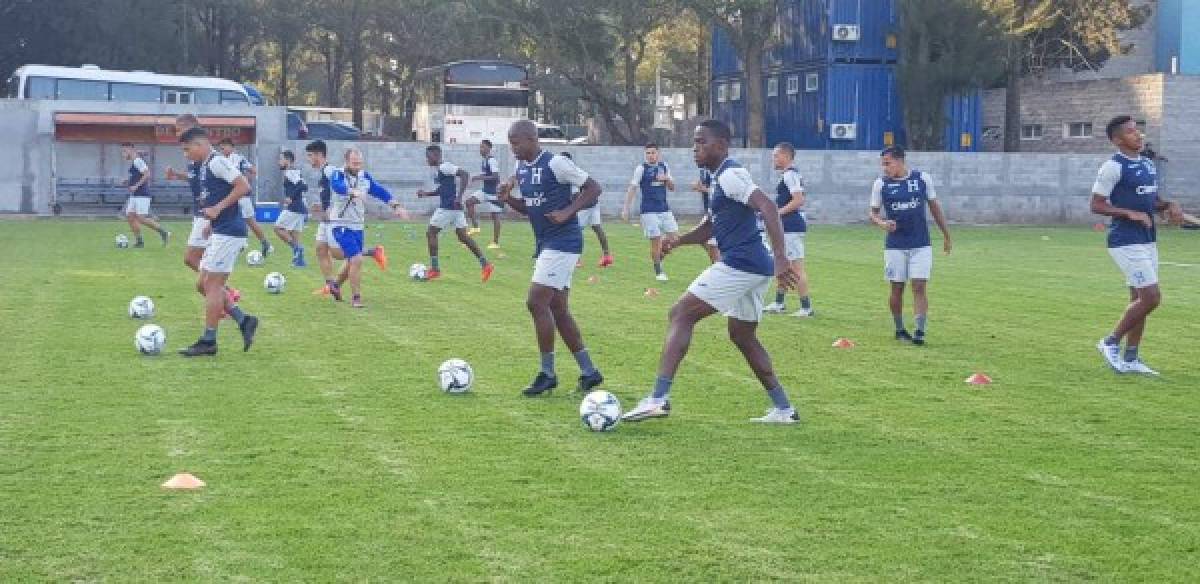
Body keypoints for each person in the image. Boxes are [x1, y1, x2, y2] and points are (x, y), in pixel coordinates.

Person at [621, 120, 801, 424]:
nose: (695, 148)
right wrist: (678, 241)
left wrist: (783, 258)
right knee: (742, 336)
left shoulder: (730, 174)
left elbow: (768, 207)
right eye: (694, 142)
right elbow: (710, 226)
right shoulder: (717, 178)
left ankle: (657, 399)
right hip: (754, 265)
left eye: (701, 142)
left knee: (681, 314)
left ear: (721, 145)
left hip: (742, 263)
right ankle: (784, 409)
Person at [497, 120, 605, 397]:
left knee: (535, 302)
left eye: (516, 142)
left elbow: (593, 188)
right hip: (546, 243)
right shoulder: (521, 169)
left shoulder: (556, 164)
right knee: (557, 309)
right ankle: (589, 372)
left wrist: (569, 211)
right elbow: (530, 208)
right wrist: (509, 199)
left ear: (532, 139)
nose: (513, 148)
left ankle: (547, 374)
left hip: (563, 241)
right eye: (510, 143)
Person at [1093, 115, 1183, 375]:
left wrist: (1168, 206)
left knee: (1138, 301)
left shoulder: (1146, 164)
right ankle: (1110, 342)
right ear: (1117, 140)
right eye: (1132, 132)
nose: (1139, 135)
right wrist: (1129, 214)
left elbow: (1151, 201)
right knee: (1151, 298)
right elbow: (1096, 205)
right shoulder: (1112, 167)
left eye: (1138, 131)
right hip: (1125, 241)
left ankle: (1131, 359)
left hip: (1147, 239)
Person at [176, 127, 259, 357]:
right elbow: (217, 196)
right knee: (202, 284)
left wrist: (218, 209)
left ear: (200, 144)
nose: (186, 154)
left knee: (212, 285)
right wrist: (210, 223)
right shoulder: (205, 166)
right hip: (221, 230)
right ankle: (244, 320)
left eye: (187, 149)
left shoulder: (216, 162)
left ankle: (208, 341)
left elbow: (244, 186)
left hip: (230, 232)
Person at [868, 146, 952, 346]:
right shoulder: (881, 184)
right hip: (895, 245)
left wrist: (946, 234)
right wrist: (882, 224)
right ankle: (899, 329)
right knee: (897, 288)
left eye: (887, 163)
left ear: (900, 161)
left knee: (919, 285)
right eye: (883, 164)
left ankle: (920, 331)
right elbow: (873, 213)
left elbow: (934, 207)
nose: (884, 168)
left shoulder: (922, 179)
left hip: (921, 243)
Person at [328, 148, 406, 308]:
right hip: (341, 224)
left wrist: (396, 206)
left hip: (358, 225)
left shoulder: (364, 177)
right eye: (353, 163)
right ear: (346, 161)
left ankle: (335, 285)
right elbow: (337, 186)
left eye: (359, 163)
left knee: (352, 260)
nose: (357, 166)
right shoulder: (338, 174)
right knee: (356, 259)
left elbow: (380, 192)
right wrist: (353, 191)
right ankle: (356, 298)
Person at [416, 145, 494, 282]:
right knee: (463, 237)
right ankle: (485, 265)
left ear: (435, 156)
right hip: (456, 209)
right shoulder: (440, 170)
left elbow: (465, 174)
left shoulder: (445, 166)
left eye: (428, 156)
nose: (427, 159)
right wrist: (426, 194)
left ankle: (434, 269)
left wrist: (459, 197)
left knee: (431, 233)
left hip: (448, 208)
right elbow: (443, 189)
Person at [762, 142, 814, 317]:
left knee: (796, 268)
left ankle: (806, 308)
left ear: (786, 156)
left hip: (791, 226)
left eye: (776, 156)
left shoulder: (790, 175)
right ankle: (779, 303)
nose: (773, 159)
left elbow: (798, 200)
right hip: (788, 226)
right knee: (783, 264)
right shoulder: (789, 175)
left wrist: (777, 213)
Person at [622, 144, 678, 281]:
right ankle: (659, 272)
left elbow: (672, 188)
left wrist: (666, 179)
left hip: (665, 209)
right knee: (656, 241)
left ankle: (658, 256)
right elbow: (632, 187)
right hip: (649, 211)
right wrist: (626, 208)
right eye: (648, 153)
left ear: (658, 153)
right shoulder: (641, 169)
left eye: (653, 152)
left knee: (675, 239)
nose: (650, 155)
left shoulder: (664, 166)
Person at [217, 138, 272, 257]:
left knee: (250, 221)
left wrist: (246, 180)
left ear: (231, 147)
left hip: (241, 196)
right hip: (231, 196)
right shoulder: (222, 160)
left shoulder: (237, 158)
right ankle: (238, 244)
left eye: (224, 147)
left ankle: (265, 243)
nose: (222, 150)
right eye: (220, 148)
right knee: (230, 220)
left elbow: (253, 170)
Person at [305, 140, 344, 298]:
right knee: (320, 249)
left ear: (319, 155)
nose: (309, 159)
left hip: (334, 218)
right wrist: (320, 206)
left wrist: (330, 209)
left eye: (310, 156)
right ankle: (331, 286)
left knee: (339, 254)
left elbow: (341, 190)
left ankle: (371, 251)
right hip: (325, 218)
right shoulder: (323, 172)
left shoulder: (330, 171)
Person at [561, 151, 613, 267]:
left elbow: (575, 197)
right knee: (597, 228)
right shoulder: (576, 171)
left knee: (575, 231)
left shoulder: (570, 173)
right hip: (593, 203)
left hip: (586, 205)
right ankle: (607, 256)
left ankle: (576, 259)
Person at [120, 142, 169, 248]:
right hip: (135, 195)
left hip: (142, 194)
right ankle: (139, 242)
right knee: (130, 216)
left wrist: (136, 186)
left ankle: (163, 232)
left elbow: (147, 174)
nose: (123, 154)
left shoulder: (138, 161)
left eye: (124, 151)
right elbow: (138, 176)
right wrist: (128, 182)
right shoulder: (134, 160)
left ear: (130, 149)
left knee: (141, 218)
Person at [464, 139, 505, 249]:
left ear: (488, 148)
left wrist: (479, 177)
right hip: (485, 191)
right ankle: (476, 227)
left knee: (495, 216)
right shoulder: (484, 160)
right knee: (469, 202)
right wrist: (478, 176)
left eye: (482, 147)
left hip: (494, 193)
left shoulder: (492, 160)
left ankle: (495, 243)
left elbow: (495, 176)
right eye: (480, 147)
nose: (480, 149)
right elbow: (487, 174)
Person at [274, 150, 309, 267]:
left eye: (281, 159)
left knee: (278, 228)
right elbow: (304, 186)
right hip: (300, 208)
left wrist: (290, 197)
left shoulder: (290, 172)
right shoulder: (294, 171)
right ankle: (299, 261)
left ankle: (297, 249)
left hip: (295, 207)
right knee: (294, 235)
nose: (278, 162)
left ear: (288, 160)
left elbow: (302, 186)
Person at [692, 168, 721, 264]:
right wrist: (698, 186)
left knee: (702, 237)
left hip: (718, 214)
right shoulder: (703, 170)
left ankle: (719, 264)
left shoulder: (718, 169)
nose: (696, 155)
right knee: (701, 238)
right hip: (709, 212)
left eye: (698, 151)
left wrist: (703, 189)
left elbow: (720, 192)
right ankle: (720, 261)